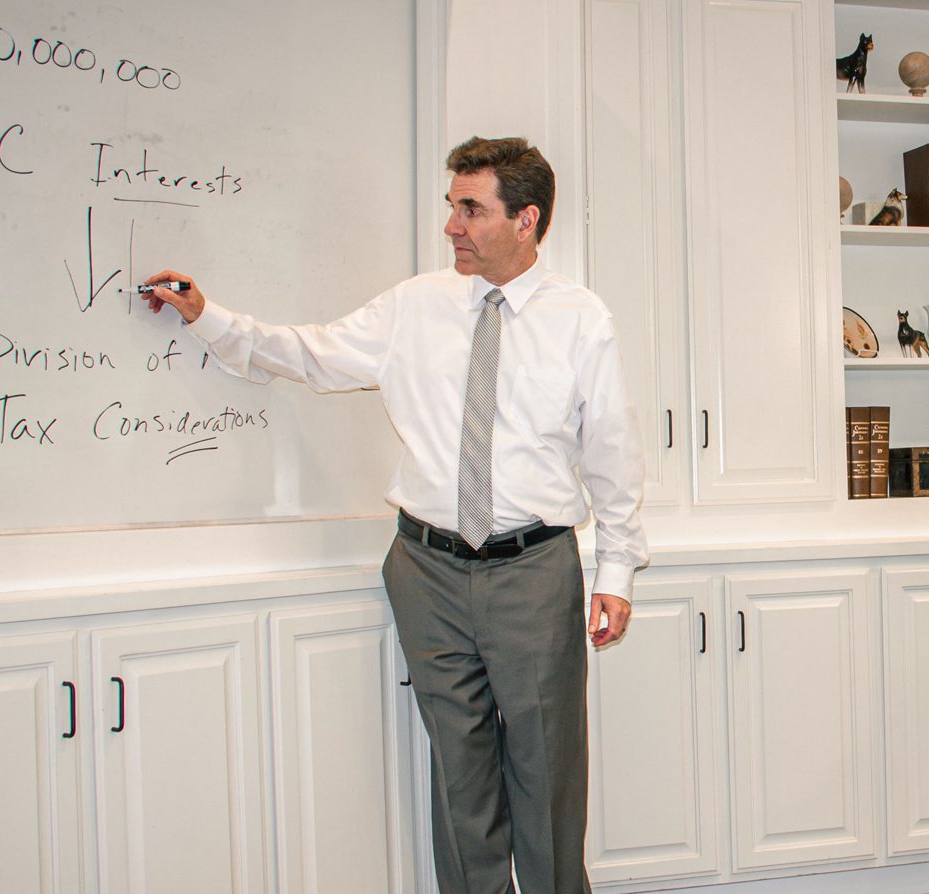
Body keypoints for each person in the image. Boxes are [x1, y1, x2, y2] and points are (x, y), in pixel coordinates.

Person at [142, 136, 645, 894]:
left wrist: (618, 569)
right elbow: (311, 354)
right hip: (427, 572)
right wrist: (210, 319)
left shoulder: (582, 319)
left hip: (535, 571)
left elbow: (611, 450)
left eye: (471, 209)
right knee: (460, 777)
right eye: (452, 207)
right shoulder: (414, 306)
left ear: (526, 219)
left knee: (546, 773)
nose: (452, 226)